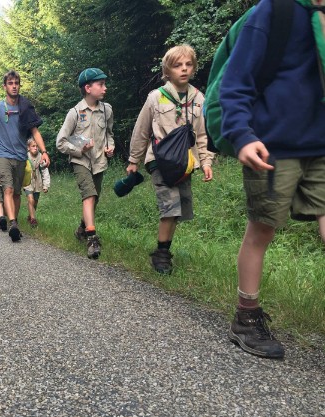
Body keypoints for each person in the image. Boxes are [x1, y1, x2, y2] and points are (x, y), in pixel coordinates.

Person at [219, 0, 325, 359]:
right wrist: (242, 135)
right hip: (273, 146)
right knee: (262, 228)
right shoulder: (275, 11)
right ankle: (246, 317)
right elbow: (236, 81)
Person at [127, 46, 214, 273]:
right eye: (177, 65)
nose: (183, 69)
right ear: (167, 70)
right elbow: (142, 130)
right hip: (159, 161)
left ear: (193, 68)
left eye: (188, 65)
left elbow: (203, 134)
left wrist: (206, 162)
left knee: (178, 211)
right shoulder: (156, 97)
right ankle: (162, 256)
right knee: (170, 208)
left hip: (185, 163)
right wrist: (133, 160)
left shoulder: (199, 99)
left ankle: (162, 249)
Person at [0, 70, 50, 242]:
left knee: (17, 193)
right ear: (4, 86)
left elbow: (35, 131)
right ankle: (13, 223)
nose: (14, 86)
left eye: (16, 83)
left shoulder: (25, 107)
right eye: (10, 83)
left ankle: (13, 224)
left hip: (21, 157)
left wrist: (44, 152)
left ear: (19, 85)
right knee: (8, 189)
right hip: (2, 156)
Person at [56, 67, 115, 259]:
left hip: (99, 161)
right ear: (88, 88)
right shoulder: (74, 113)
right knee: (89, 196)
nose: (105, 88)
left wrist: (110, 147)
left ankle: (81, 229)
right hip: (80, 161)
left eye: (104, 83)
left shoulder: (107, 110)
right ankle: (92, 239)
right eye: (101, 84)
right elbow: (61, 142)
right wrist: (79, 150)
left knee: (94, 198)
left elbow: (109, 134)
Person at [23, 137, 51, 227]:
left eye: (37, 146)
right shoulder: (25, 156)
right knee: (30, 199)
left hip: (37, 182)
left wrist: (46, 185)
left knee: (35, 201)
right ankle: (33, 220)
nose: (35, 148)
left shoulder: (41, 157)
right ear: (28, 147)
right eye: (33, 146)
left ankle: (30, 216)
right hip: (27, 181)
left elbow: (45, 171)